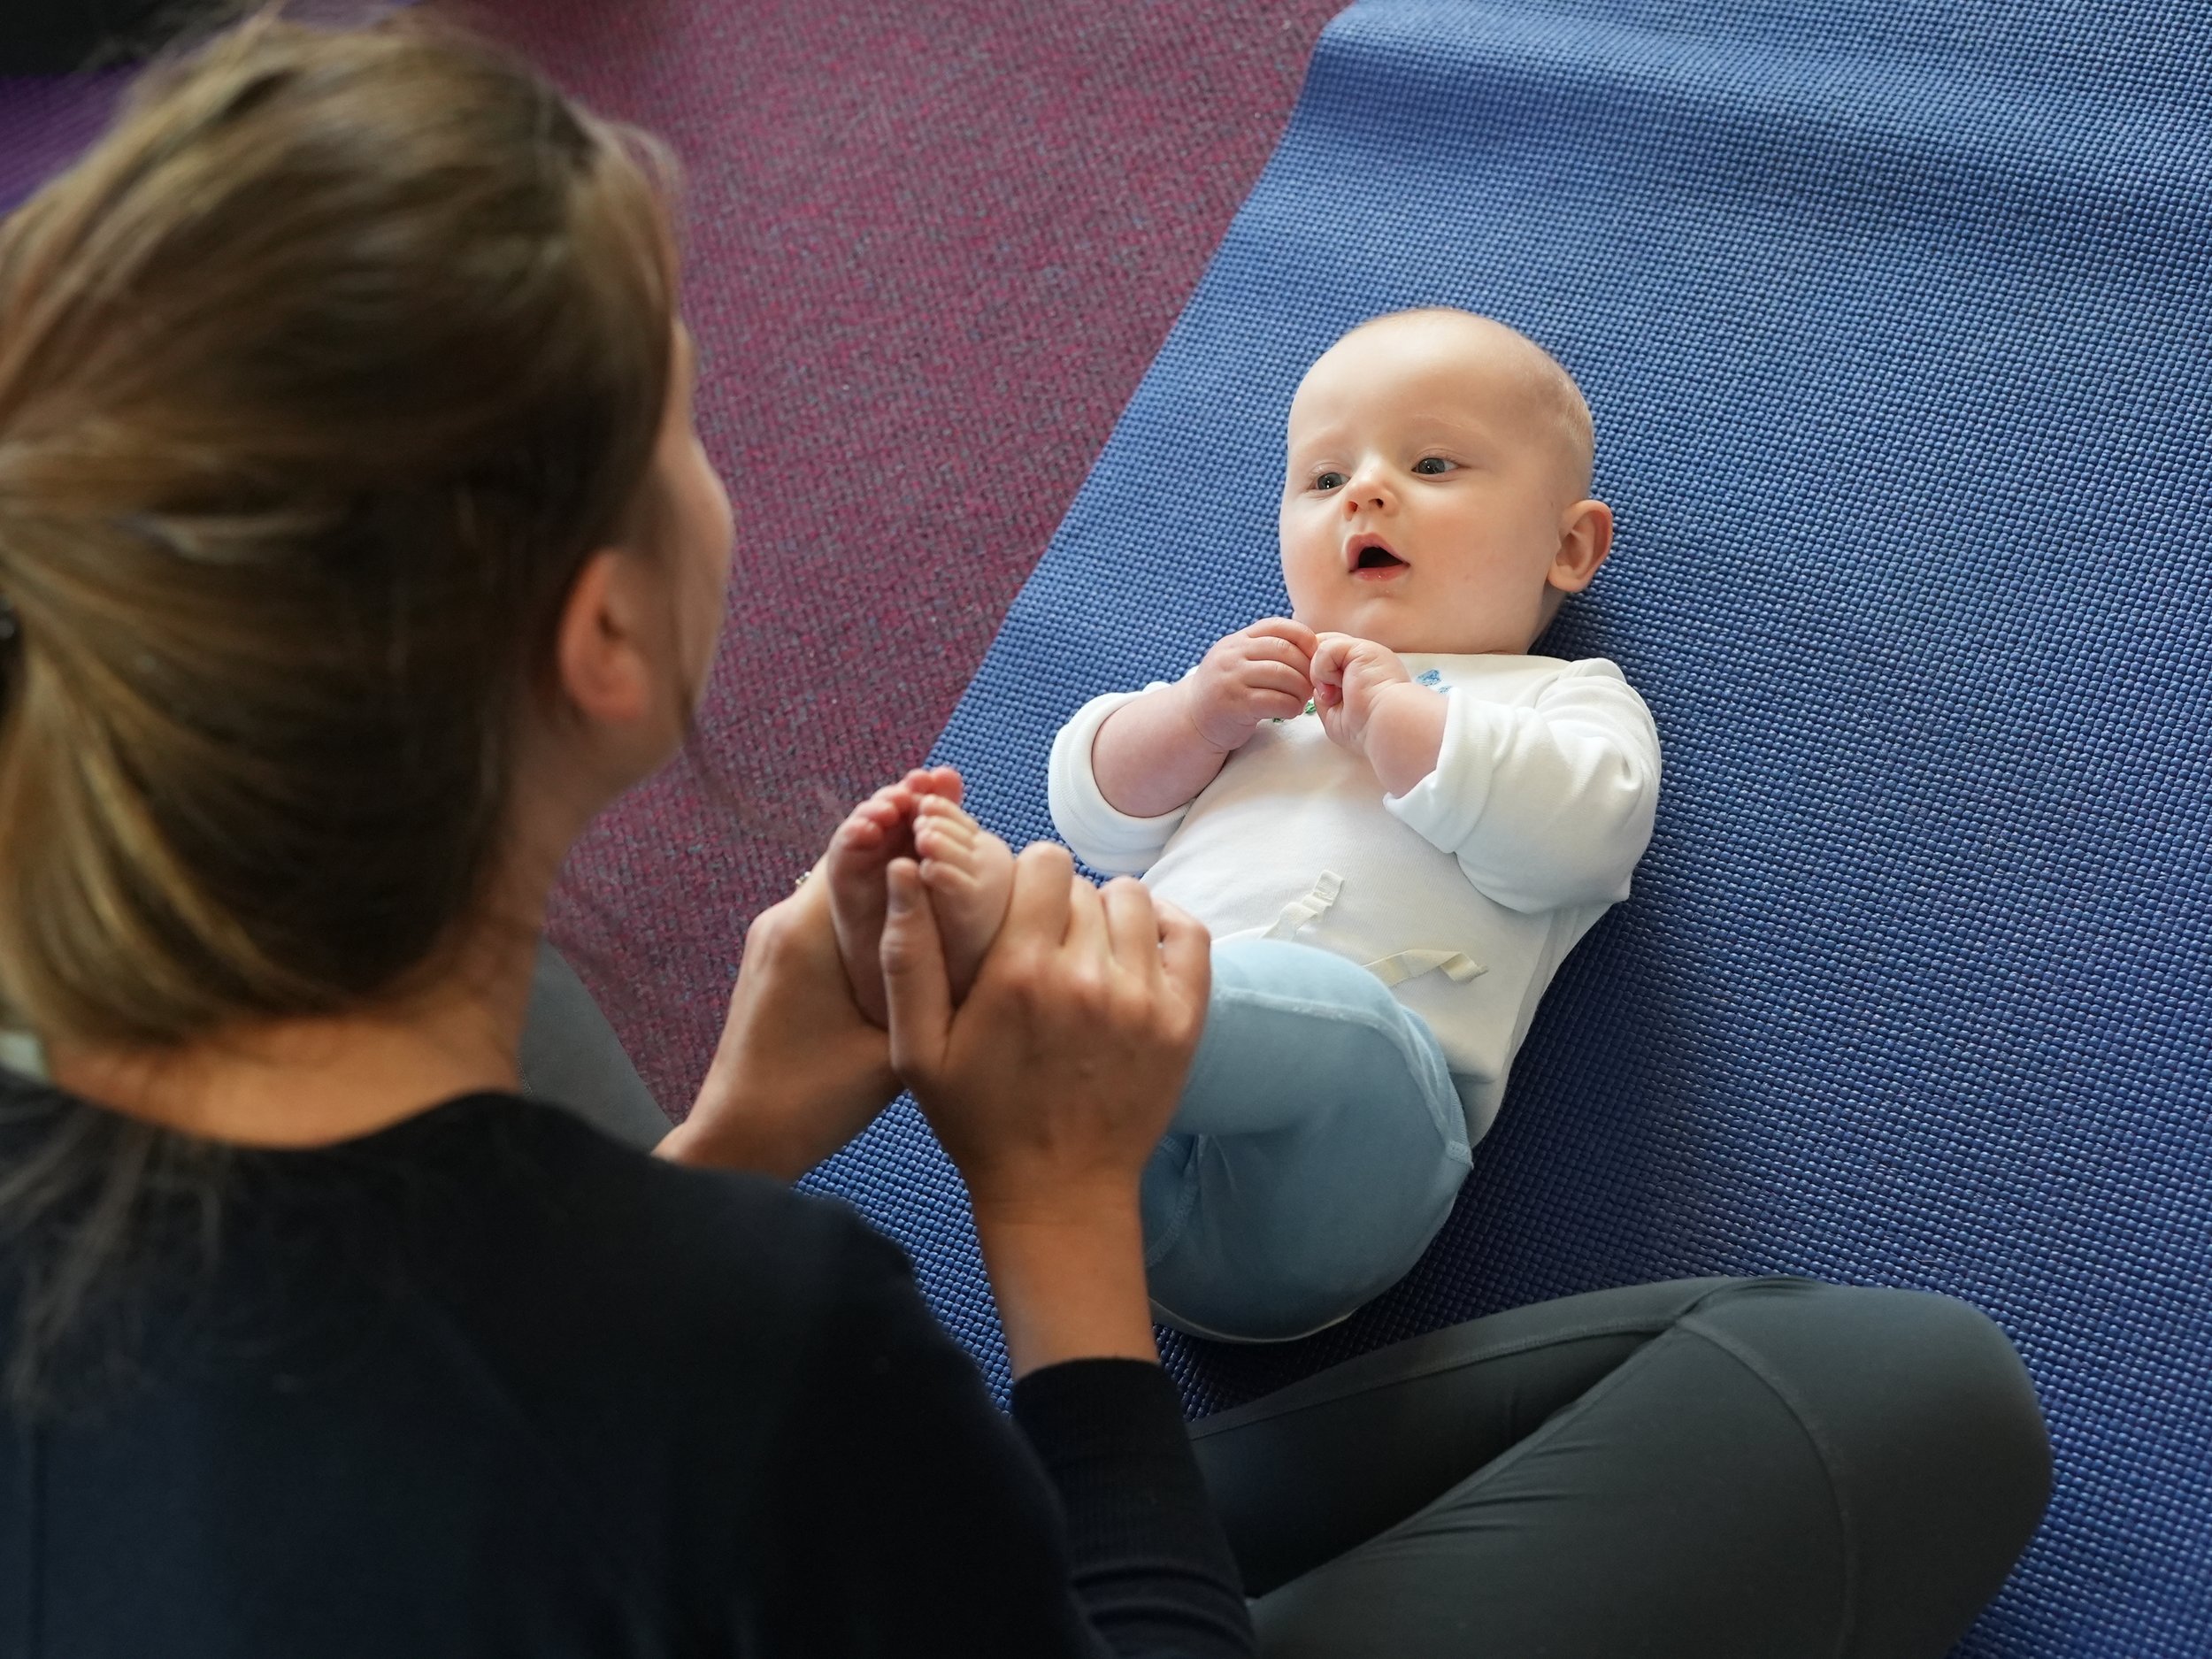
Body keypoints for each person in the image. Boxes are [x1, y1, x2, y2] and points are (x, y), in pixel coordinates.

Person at [0, 14, 2050, 1657]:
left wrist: (729, 1136)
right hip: (888, 1461)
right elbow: (1100, 796)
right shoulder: (761, 1334)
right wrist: (1060, 1224)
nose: (1372, 499)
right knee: (1924, 1397)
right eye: (692, 417)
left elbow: (447, 1410)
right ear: (604, 631)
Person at [826, 310, 1659, 1340]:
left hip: (1349, 1161)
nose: (1364, 491)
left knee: (1330, 1025)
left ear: (1569, 546)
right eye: (1321, 479)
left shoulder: (1558, 700)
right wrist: (1190, 717)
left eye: (1433, 463)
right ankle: (1021, 994)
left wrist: (1408, 730)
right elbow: (1092, 810)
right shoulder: (1260, 702)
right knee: (1099, 961)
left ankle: (1024, 971)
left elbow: (1587, 834)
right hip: (1102, 1168)